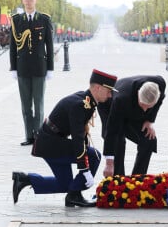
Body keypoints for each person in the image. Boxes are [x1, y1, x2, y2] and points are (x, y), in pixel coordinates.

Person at [12, 69, 118, 207]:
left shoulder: (87, 101)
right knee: (95, 156)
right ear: (97, 88)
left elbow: (81, 135)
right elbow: (77, 138)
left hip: (51, 141)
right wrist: (85, 169)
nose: (110, 95)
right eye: (109, 91)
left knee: (65, 184)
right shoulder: (80, 105)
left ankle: (24, 179)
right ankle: (74, 195)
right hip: (51, 144)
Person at [9, 0, 54, 146]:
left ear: (35, 0)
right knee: (26, 105)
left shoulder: (44, 19)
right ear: (23, 0)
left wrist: (50, 69)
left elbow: (49, 44)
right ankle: (29, 136)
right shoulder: (16, 20)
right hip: (22, 69)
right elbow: (13, 46)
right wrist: (13, 68)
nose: (28, 1)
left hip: (39, 68)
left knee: (39, 104)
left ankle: (38, 136)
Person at [98, 75, 166, 176]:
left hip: (133, 109)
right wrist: (109, 163)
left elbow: (159, 101)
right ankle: (119, 180)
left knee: (149, 139)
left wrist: (149, 120)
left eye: (149, 107)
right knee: (118, 141)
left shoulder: (160, 83)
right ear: (139, 93)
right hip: (109, 107)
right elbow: (111, 131)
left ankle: (137, 179)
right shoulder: (120, 99)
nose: (145, 110)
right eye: (143, 105)